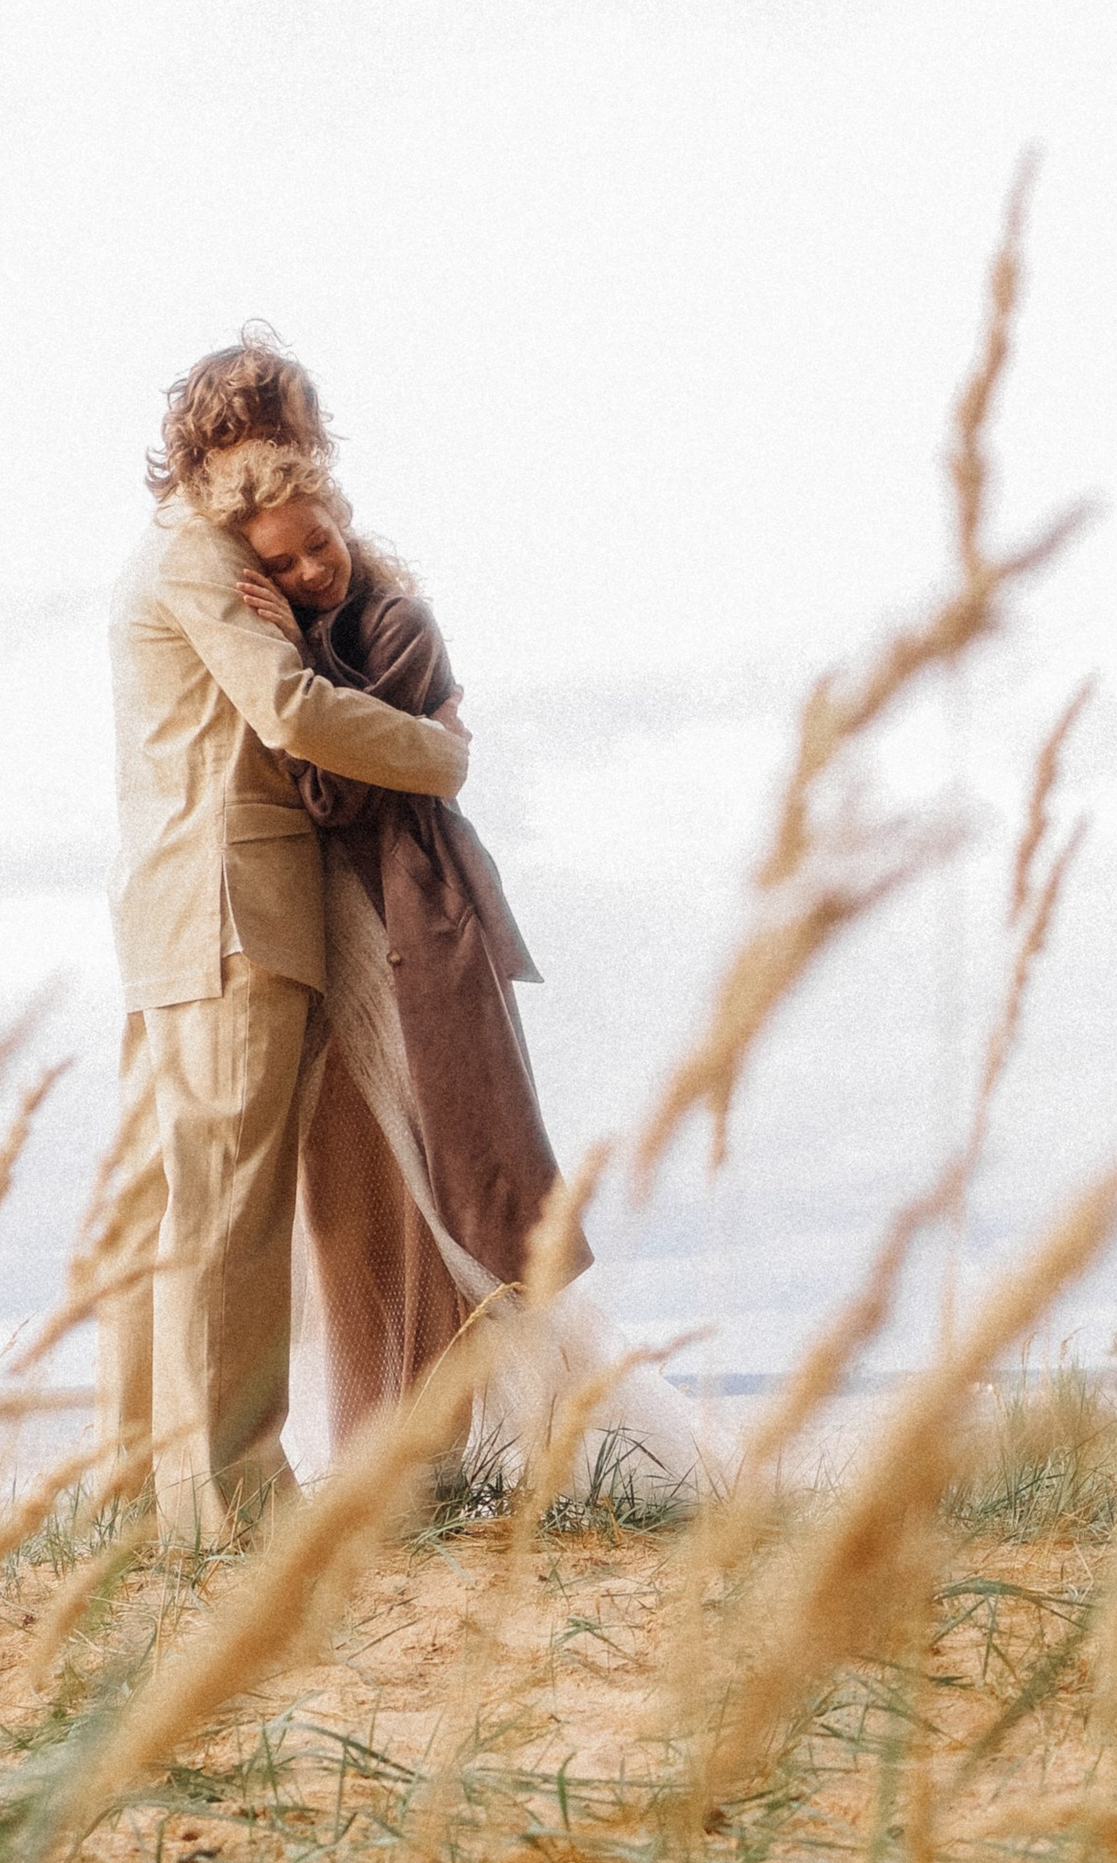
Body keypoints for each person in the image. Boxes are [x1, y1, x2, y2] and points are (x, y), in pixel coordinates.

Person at [196, 439, 702, 1501]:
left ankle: (449, 1455)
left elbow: (341, 795)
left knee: (444, 1194)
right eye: (280, 566)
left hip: (410, 926)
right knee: (351, 1196)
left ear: (341, 518)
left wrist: (288, 655)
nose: (306, 573)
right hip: (342, 935)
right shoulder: (322, 628)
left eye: (316, 545)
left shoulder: (393, 622)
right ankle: (387, 1455)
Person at [100, 331, 471, 1546]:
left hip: (179, 906)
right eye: (264, 433)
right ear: (206, 450)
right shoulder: (201, 563)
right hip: (232, 911)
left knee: (172, 1206)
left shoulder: (175, 558)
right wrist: (441, 754)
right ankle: (234, 1505)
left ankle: (146, 1490)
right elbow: (289, 709)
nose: (281, 455)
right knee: (229, 1210)